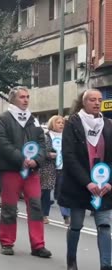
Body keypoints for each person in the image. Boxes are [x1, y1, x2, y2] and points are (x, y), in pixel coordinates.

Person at [0, 86, 52, 258]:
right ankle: (7, 242)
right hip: (11, 170)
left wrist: (37, 160)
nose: (26, 100)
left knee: (36, 206)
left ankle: (38, 245)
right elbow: (1, 143)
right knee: (9, 207)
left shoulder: (32, 120)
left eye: (27, 97)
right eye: (22, 97)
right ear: (13, 100)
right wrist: (21, 159)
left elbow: (41, 142)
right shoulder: (2, 119)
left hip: (31, 171)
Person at [60, 89, 112, 270]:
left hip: (103, 186)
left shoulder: (108, 124)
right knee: (76, 225)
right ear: (84, 102)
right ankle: (72, 261)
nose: (97, 103)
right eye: (92, 100)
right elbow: (68, 156)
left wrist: (109, 182)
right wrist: (87, 182)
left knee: (104, 226)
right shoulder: (73, 123)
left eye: (99, 99)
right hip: (79, 185)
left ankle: (106, 265)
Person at [39, 115, 68, 224]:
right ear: (52, 124)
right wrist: (48, 154)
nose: (61, 124)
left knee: (63, 193)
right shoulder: (46, 136)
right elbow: (41, 151)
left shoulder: (67, 137)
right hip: (48, 168)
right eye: (58, 122)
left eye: (62, 123)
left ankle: (66, 216)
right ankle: (44, 215)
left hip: (63, 168)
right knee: (46, 192)